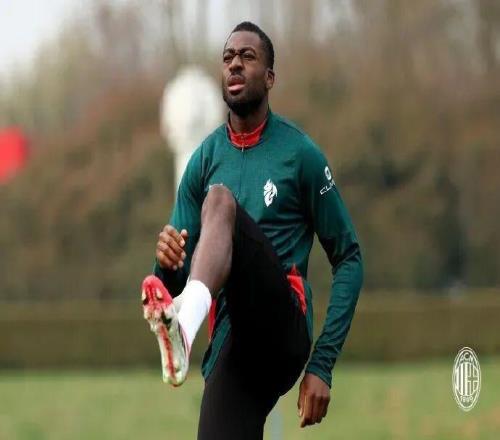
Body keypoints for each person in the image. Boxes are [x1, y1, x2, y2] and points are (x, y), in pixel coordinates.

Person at [141, 21, 363, 440]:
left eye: (247, 57)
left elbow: (349, 258)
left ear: (270, 77)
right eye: (227, 58)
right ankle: (182, 329)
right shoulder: (203, 160)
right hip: (233, 342)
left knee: (220, 202)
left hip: (282, 327)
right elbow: (175, 279)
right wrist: (166, 263)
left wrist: (322, 363)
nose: (235, 65)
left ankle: (185, 328)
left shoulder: (300, 154)